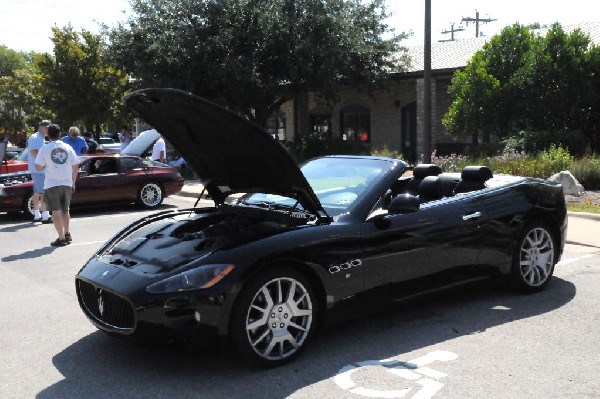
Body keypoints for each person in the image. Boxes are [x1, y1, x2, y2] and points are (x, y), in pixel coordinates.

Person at [35, 124, 80, 247]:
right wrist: (73, 181)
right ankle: (67, 233)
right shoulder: (67, 147)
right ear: (60, 134)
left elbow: (38, 167)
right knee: (66, 210)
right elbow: (75, 165)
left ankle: (61, 238)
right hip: (66, 183)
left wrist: (46, 164)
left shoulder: (44, 149)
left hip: (52, 183)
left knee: (56, 211)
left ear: (48, 135)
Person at [28, 120, 52, 223]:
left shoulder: (41, 138)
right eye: (46, 127)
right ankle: (45, 215)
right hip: (38, 169)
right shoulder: (35, 137)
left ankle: (37, 215)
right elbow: (33, 151)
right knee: (43, 192)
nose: (48, 130)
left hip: (39, 169)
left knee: (38, 192)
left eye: (49, 128)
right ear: (40, 127)